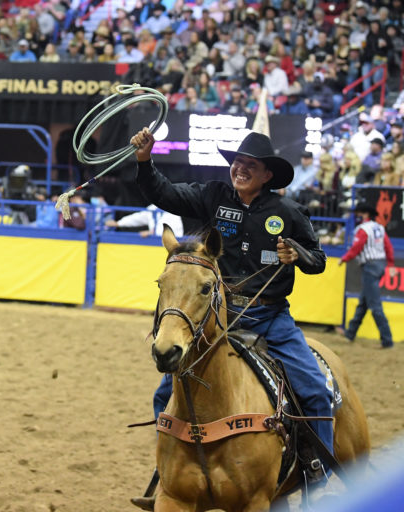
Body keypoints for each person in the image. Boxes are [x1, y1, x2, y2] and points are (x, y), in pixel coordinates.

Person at [128, 129, 333, 509]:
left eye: (249, 166)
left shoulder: (287, 213)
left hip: (270, 317)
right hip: (218, 318)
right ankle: (167, 470)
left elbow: (319, 260)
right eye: (237, 163)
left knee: (314, 389)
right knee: (163, 393)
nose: (240, 169)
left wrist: (298, 255)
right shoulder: (212, 196)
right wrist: (144, 160)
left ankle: (315, 471)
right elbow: (164, 193)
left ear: (266, 175)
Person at [339, 203, 395, 349]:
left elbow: (357, 247)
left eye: (359, 213)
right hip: (379, 264)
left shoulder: (363, 229)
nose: (357, 216)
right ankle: (350, 332)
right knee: (364, 302)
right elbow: (388, 247)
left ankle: (387, 339)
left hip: (370, 266)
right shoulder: (380, 227)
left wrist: (344, 258)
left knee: (374, 305)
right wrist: (390, 264)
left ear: (365, 214)